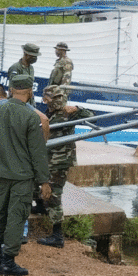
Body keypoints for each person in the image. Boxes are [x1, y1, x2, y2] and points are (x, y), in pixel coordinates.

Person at [0, 75, 51, 276]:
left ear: (11, 90)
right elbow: (37, 152)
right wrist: (44, 181)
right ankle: (8, 261)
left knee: (0, 211)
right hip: (22, 176)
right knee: (16, 216)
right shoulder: (30, 116)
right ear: (30, 92)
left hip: (0, 174)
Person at [36, 85, 94, 248]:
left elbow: (92, 117)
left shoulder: (67, 113)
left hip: (60, 160)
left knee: (53, 194)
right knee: (36, 181)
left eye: (58, 98)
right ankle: (40, 207)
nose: (57, 101)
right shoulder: (47, 113)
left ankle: (57, 236)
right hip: (47, 158)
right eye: (52, 98)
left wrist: (77, 108)